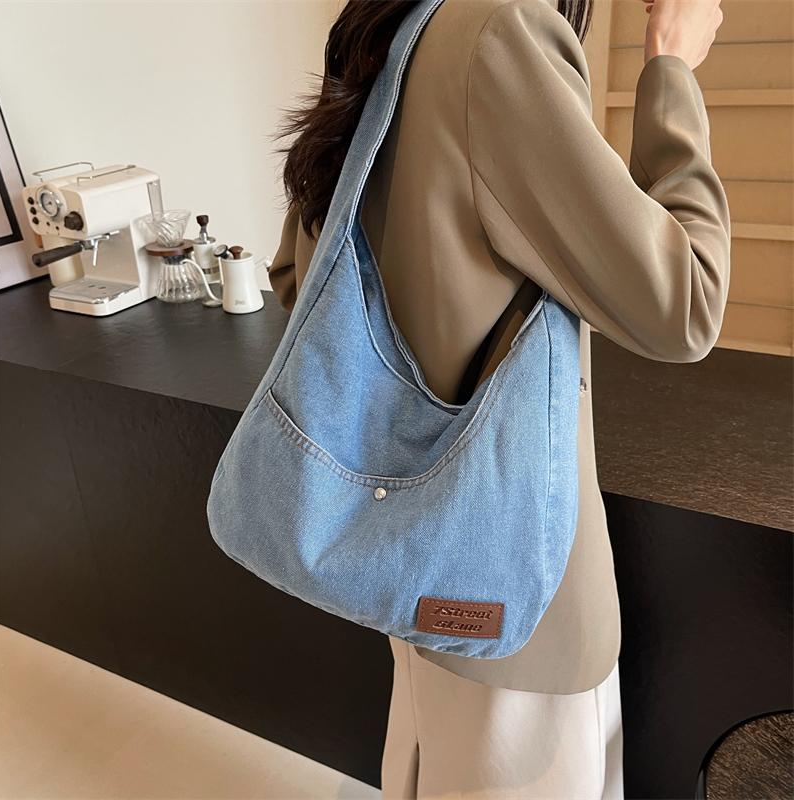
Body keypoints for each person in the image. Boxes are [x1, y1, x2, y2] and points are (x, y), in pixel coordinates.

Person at [267, 0, 729, 796]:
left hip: (403, 554)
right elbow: (686, 302)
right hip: (518, 594)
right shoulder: (503, 32)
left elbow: (294, 279)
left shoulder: (382, 31)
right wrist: (671, 66)